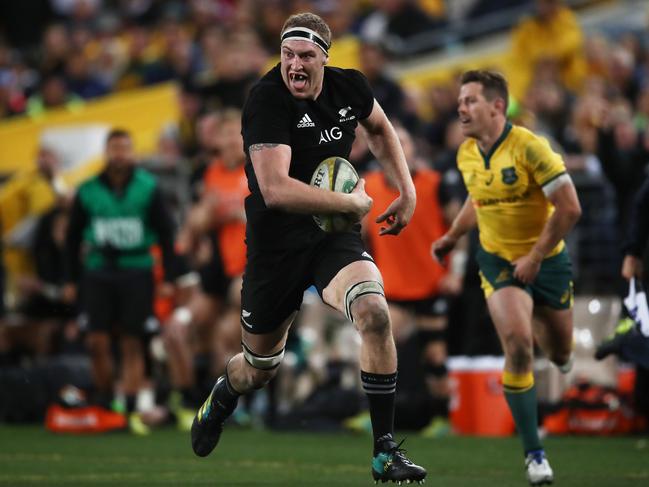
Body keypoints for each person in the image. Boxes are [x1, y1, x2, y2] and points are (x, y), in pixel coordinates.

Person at [190, 12, 426, 484]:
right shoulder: (265, 99)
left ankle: (384, 452)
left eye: (305, 56)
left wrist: (407, 190)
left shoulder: (350, 87)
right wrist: (351, 201)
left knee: (375, 315)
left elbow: (379, 129)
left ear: (325, 58)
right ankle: (222, 395)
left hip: (331, 236)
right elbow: (276, 189)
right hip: (276, 244)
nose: (294, 65)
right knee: (259, 367)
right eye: (287, 55)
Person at [432, 70, 582, 486]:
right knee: (517, 344)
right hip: (497, 261)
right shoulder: (466, 154)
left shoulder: (531, 147)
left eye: (471, 101)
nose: (461, 108)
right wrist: (452, 236)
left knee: (558, 351)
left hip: (547, 261)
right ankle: (535, 455)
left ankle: (545, 327)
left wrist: (535, 257)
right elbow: (478, 199)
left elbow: (569, 208)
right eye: (460, 101)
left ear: (497, 106)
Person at [63, 128, 185, 435]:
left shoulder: (147, 187)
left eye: (125, 148)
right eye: (115, 148)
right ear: (107, 152)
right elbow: (72, 237)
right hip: (98, 270)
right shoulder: (88, 189)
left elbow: (167, 234)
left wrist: (169, 277)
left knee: (132, 341)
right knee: (96, 341)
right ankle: (105, 401)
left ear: (132, 153)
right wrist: (71, 279)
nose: (120, 154)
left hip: (137, 268)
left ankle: (128, 409)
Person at [362, 124, 464, 437]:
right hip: (392, 287)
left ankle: (442, 419)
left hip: (431, 284)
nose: (397, 148)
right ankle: (372, 415)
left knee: (434, 354)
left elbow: (459, 227)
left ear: (413, 150)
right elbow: (363, 238)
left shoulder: (435, 184)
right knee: (373, 347)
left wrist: (456, 271)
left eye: (403, 142)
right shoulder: (368, 188)